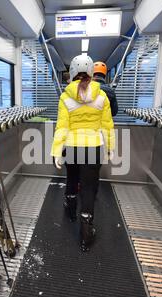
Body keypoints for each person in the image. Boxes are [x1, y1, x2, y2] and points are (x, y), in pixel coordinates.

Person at [51, 55, 115, 252]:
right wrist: (110, 147)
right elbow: (107, 126)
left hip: (73, 146)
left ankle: (70, 211)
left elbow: (62, 127)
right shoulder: (102, 96)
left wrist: (56, 151)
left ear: (71, 74)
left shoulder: (65, 96)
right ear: (91, 72)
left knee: (72, 179)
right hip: (94, 147)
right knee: (88, 187)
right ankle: (86, 232)